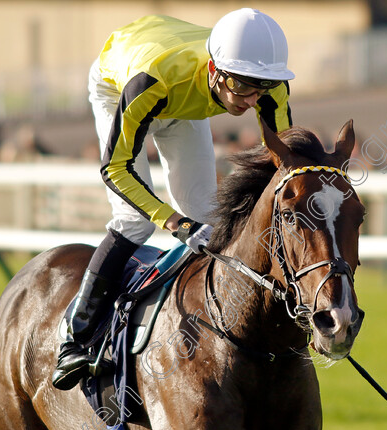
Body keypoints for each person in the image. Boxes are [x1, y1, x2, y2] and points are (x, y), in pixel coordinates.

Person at [52, 8, 295, 390]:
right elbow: (115, 168)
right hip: (125, 86)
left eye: (261, 89)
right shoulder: (153, 80)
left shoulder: (266, 83)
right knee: (136, 221)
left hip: (186, 96)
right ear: (215, 70)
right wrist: (174, 222)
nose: (252, 100)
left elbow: (287, 164)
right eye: (243, 88)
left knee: (208, 220)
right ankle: (76, 336)